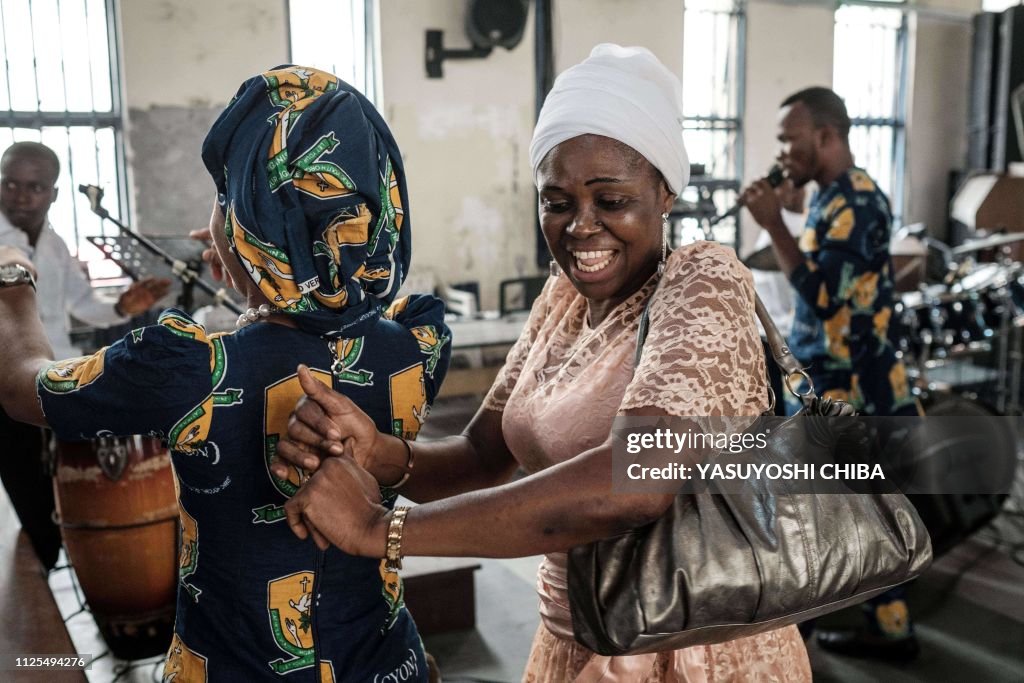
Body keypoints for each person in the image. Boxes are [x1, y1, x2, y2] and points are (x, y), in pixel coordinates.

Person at [276, 45, 813, 682]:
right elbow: (482, 455)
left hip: (688, 654)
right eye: (557, 203)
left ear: (665, 193)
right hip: (578, 631)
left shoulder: (702, 284)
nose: (581, 229)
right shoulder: (562, 299)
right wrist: (378, 453)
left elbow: (634, 482)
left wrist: (380, 526)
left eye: (611, 202)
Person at [0, 65, 450, 681]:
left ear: (245, 222)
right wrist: (259, 273)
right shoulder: (416, 343)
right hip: (386, 663)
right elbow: (312, 325)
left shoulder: (190, 371)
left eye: (224, 197)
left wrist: (10, 280)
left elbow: (24, 384)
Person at [739, 86, 920, 661]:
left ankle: (812, 634)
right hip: (828, 380)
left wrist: (774, 225)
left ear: (826, 136)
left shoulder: (860, 201)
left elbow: (821, 295)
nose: (784, 150)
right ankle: (883, 630)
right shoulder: (830, 197)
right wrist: (792, 211)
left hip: (856, 387)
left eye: (791, 139)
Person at [0, 141, 171, 571]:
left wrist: (121, 308)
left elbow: (82, 304)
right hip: (9, 387)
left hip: (55, 380)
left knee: (69, 492)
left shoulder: (55, 244)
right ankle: (36, 587)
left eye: (34, 186)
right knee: (27, 492)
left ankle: (64, 571)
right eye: (9, 184)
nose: (21, 195)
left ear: (53, 194)